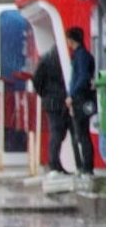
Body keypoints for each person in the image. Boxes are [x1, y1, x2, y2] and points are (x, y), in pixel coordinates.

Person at [32, 51, 71, 174]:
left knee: (57, 133)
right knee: (60, 133)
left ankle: (54, 163)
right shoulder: (66, 56)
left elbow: (37, 80)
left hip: (51, 101)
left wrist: (44, 94)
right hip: (63, 100)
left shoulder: (45, 58)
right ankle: (54, 164)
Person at [66, 26, 96, 175]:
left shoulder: (81, 56)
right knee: (82, 134)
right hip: (81, 98)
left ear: (71, 40)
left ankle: (87, 167)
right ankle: (86, 166)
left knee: (82, 134)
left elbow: (82, 77)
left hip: (81, 99)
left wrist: (72, 94)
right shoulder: (81, 55)